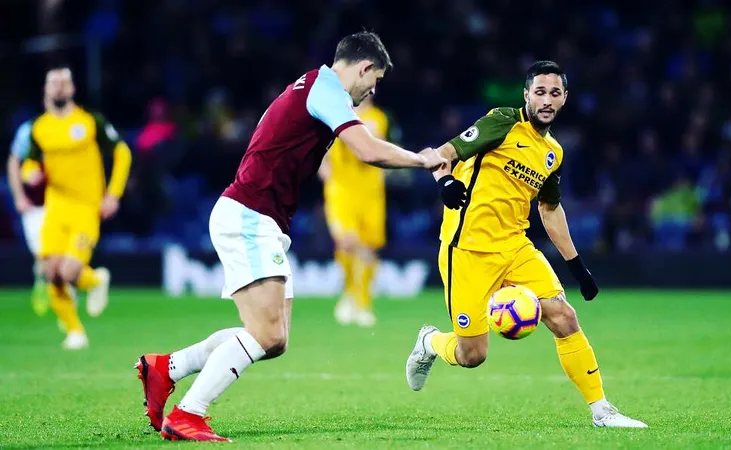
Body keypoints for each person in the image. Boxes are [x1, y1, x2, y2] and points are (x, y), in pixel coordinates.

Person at [135, 31, 446, 442]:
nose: (374, 89)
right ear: (365, 67)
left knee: (274, 338)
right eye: (377, 79)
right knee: (266, 333)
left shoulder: (311, 86)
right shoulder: (326, 89)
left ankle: (166, 369)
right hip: (250, 214)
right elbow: (367, 150)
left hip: (261, 218)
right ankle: (189, 413)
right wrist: (423, 160)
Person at [405, 61, 648, 428]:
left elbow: (550, 210)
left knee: (565, 317)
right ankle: (431, 342)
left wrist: (577, 266)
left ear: (565, 98)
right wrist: (445, 182)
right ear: (526, 95)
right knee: (472, 355)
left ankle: (602, 410)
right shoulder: (503, 121)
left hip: (516, 248)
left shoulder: (553, 152)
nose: (546, 100)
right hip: (467, 250)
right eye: (540, 92)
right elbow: (442, 153)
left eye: (554, 93)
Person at [8, 67, 129, 349]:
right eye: (54, 83)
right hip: (56, 208)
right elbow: (29, 162)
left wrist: (113, 194)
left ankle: (95, 279)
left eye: (64, 82)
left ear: (73, 89)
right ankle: (75, 331)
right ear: (46, 90)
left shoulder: (90, 122)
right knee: (50, 272)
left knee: (69, 271)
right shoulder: (39, 128)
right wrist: (29, 174)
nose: (59, 87)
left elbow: (122, 152)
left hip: (86, 208)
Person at [319, 94, 390, 327]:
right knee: (347, 242)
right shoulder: (335, 115)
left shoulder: (377, 118)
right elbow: (323, 147)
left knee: (368, 248)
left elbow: (373, 147)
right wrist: (324, 167)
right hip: (341, 190)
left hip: (370, 193)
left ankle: (362, 303)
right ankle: (350, 294)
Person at [7, 123, 48, 315]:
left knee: (64, 252)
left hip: (64, 202)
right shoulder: (29, 130)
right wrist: (19, 196)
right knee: (41, 255)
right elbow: (15, 162)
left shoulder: (76, 126)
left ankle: (66, 293)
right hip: (36, 205)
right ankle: (42, 285)